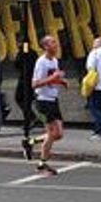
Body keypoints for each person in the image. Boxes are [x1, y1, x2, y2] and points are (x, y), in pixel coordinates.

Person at [22, 35, 67, 175]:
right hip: (43, 100)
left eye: (55, 41)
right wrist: (53, 78)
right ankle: (42, 165)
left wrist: (60, 81)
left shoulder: (54, 61)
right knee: (52, 133)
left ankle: (30, 142)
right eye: (53, 42)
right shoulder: (41, 62)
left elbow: (52, 79)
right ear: (46, 47)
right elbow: (34, 84)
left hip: (53, 99)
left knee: (58, 134)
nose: (56, 44)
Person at [13, 39, 37, 138]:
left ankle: (30, 119)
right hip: (27, 79)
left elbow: (17, 63)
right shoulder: (31, 53)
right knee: (24, 100)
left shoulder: (25, 53)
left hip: (26, 79)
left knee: (24, 99)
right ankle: (30, 118)